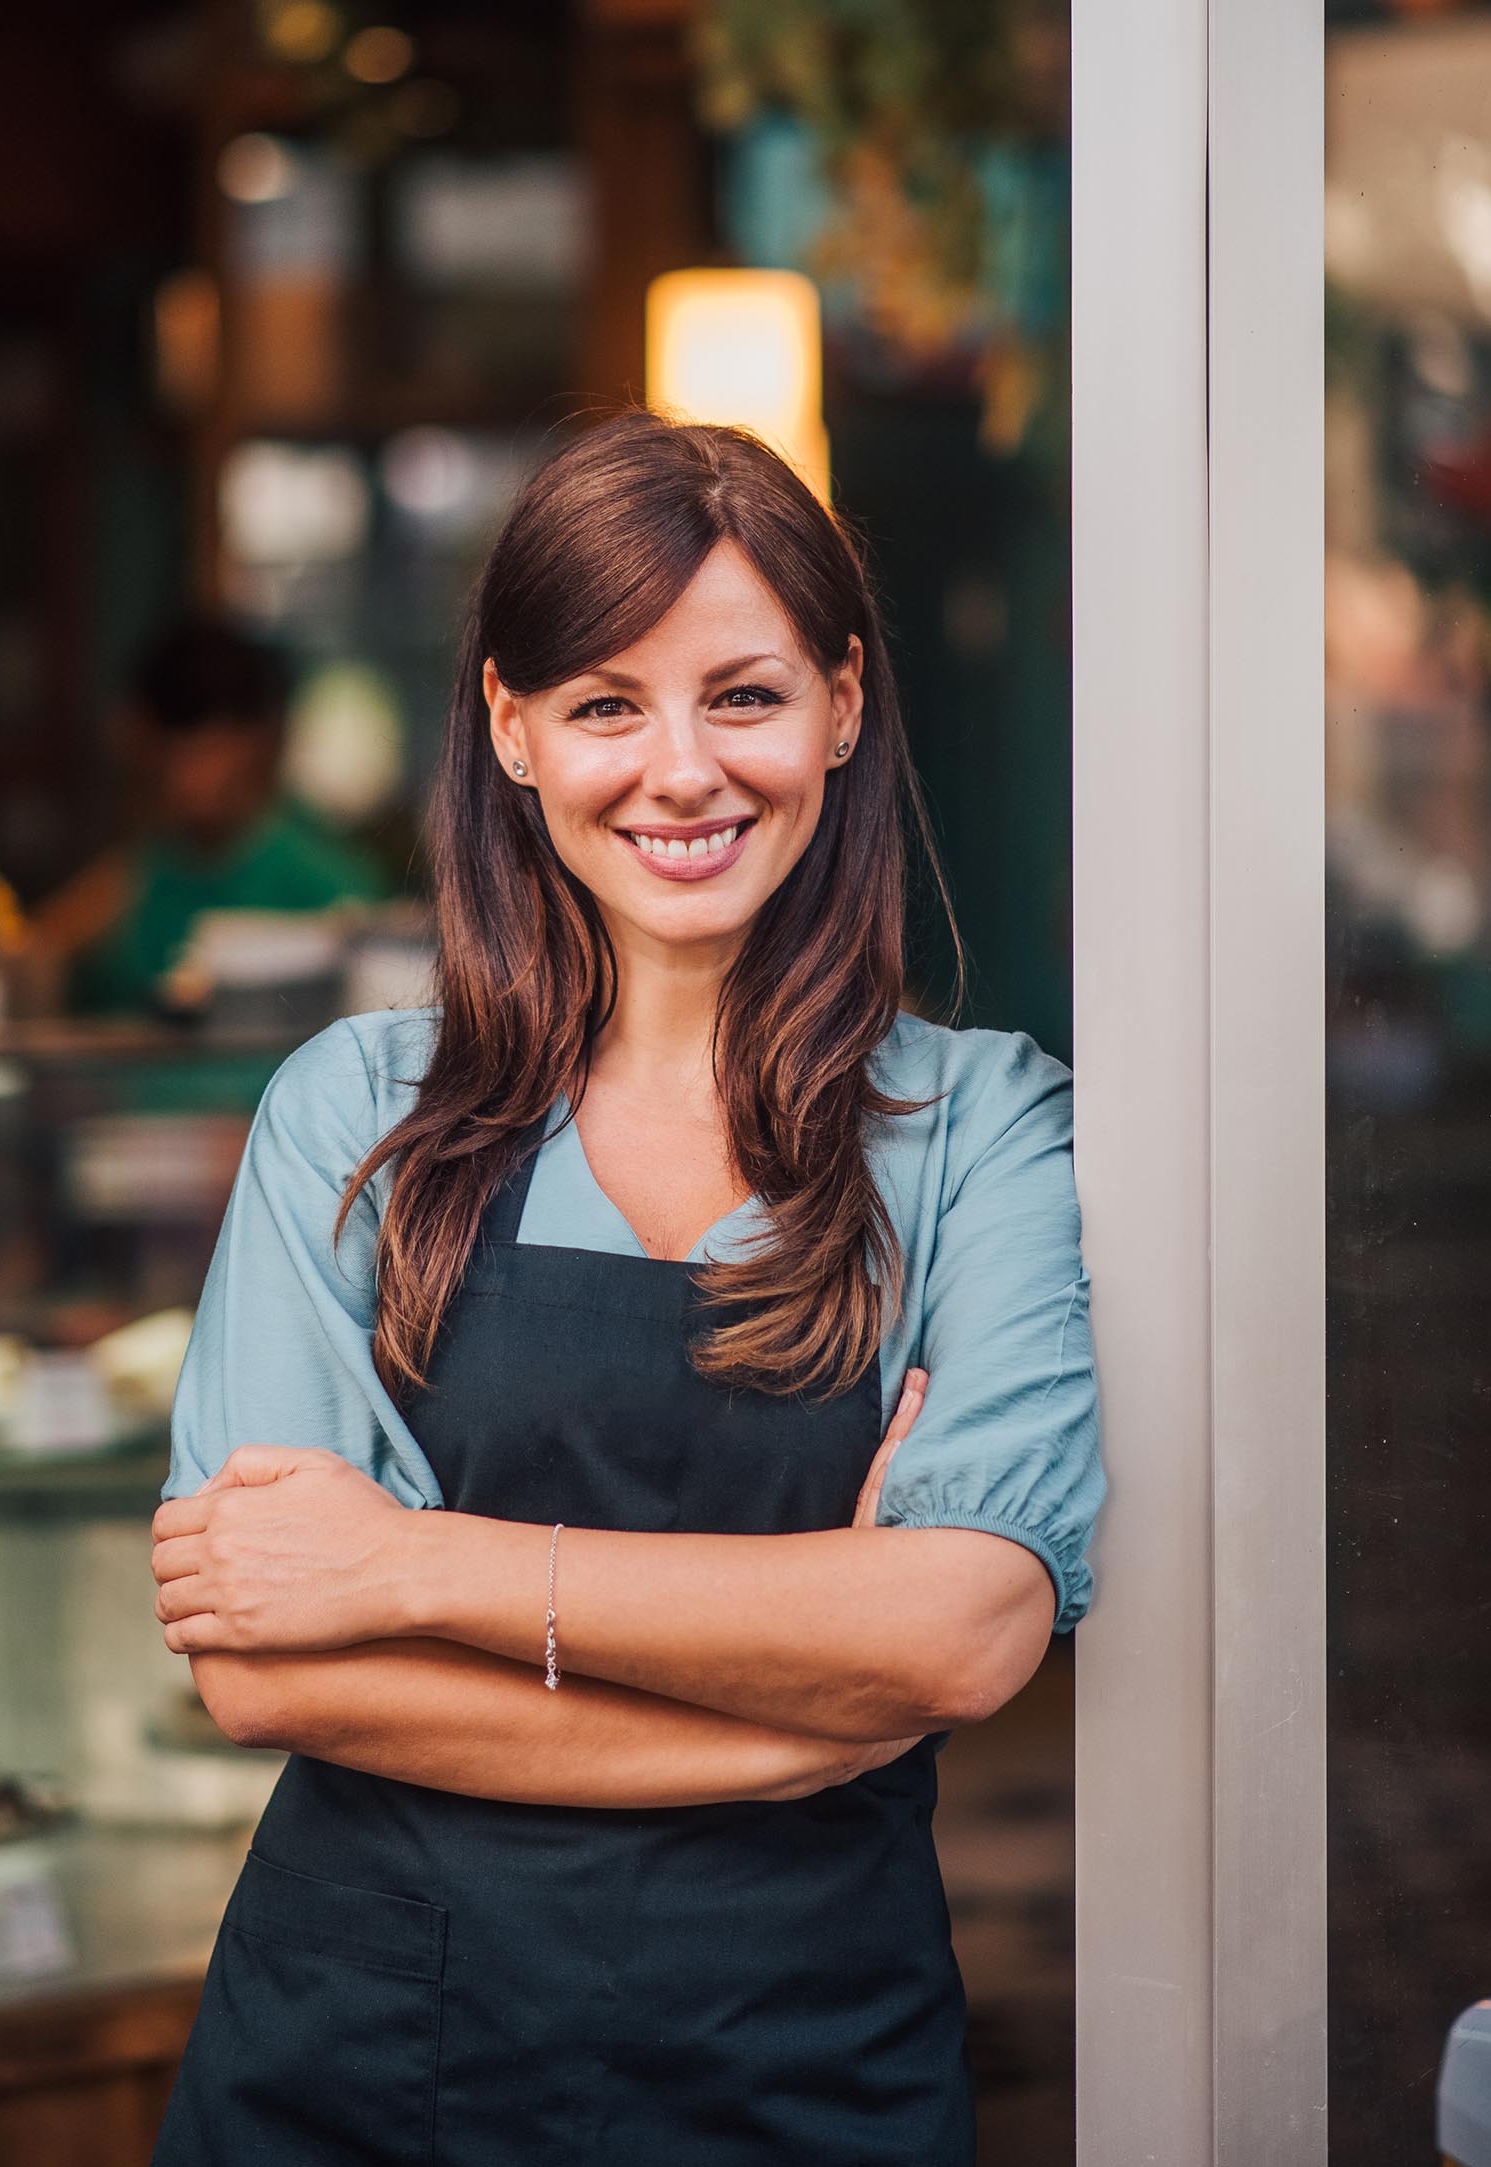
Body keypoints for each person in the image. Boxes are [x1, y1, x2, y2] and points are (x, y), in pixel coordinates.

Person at [145, 409, 1106, 2164]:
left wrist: (410, 1564)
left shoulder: (983, 1128)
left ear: (843, 701)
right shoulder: (356, 1111)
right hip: (368, 2056)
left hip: (805, 2062)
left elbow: (967, 1626)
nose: (681, 771)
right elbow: (273, 1676)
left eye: (741, 694)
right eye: (606, 703)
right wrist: (800, 1720)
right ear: (512, 729)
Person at [33, 615, 391, 1012]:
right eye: (178, 748)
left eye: (211, 747)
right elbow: (35, 951)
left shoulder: (332, 888)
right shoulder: (133, 877)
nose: (195, 774)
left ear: (265, 741)